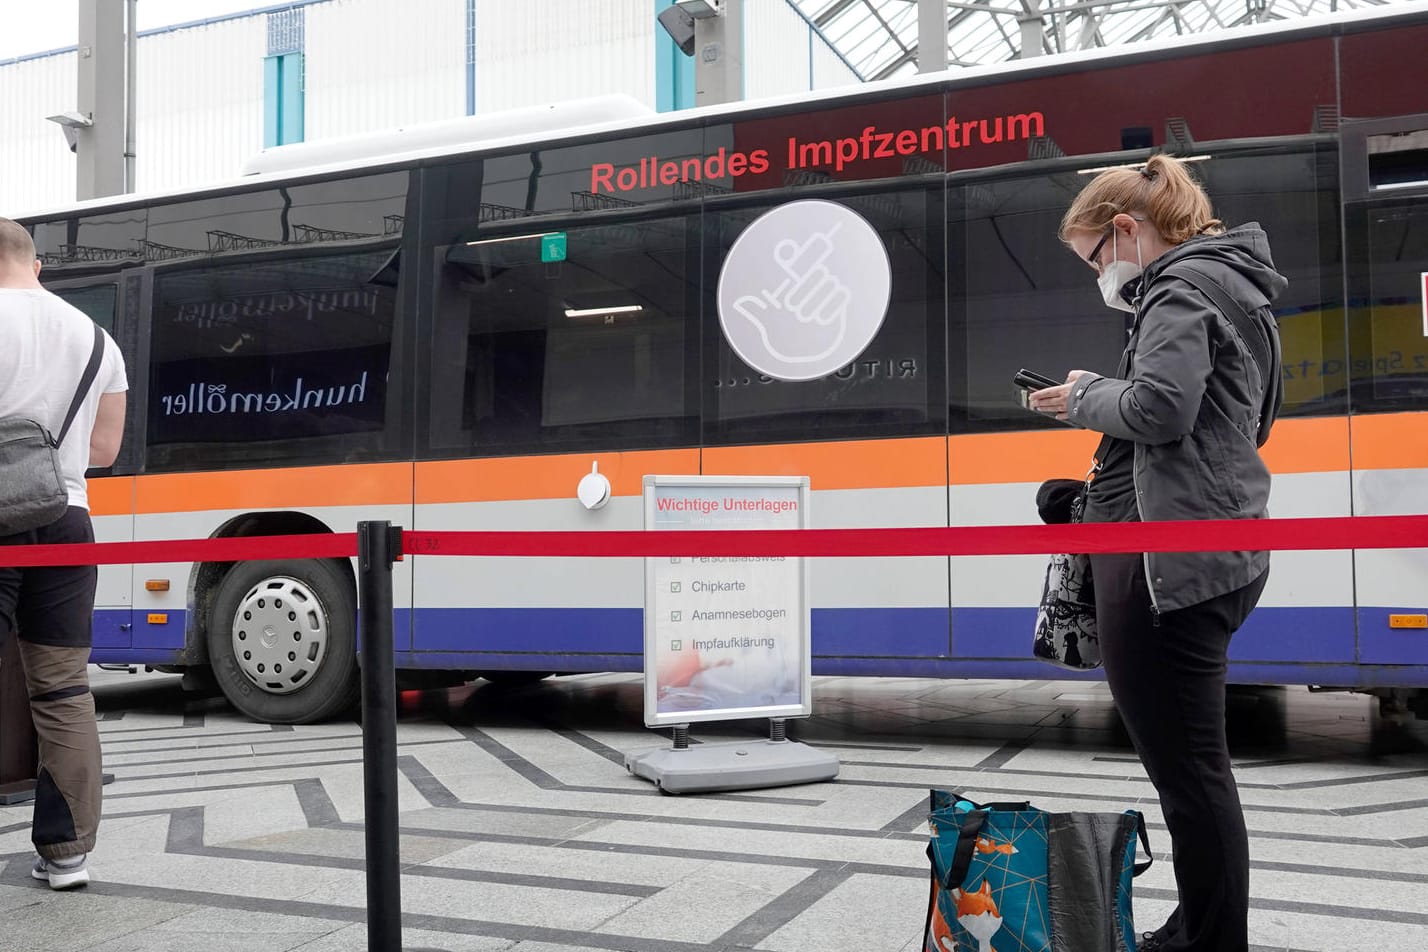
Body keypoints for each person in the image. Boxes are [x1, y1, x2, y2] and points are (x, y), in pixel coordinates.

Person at [1028, 154, 1284, 952]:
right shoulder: (1239, 288)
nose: (1099, 276)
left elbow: (1163, 408)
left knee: (1191, 773)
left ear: (1127, 230)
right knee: (1193, 768)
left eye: (1095, 259)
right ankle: (1199, 926)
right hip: (1214, 547)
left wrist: (1080, 399)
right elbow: (1234, 423)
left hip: (1164, 566)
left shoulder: (1176, 286)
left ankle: (1210, 940)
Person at [0, 217, 127, 889]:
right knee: (62, 688)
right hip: (66, 517)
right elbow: (104, 452)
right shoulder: (96, 336)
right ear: (37, 263)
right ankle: (67, 852)